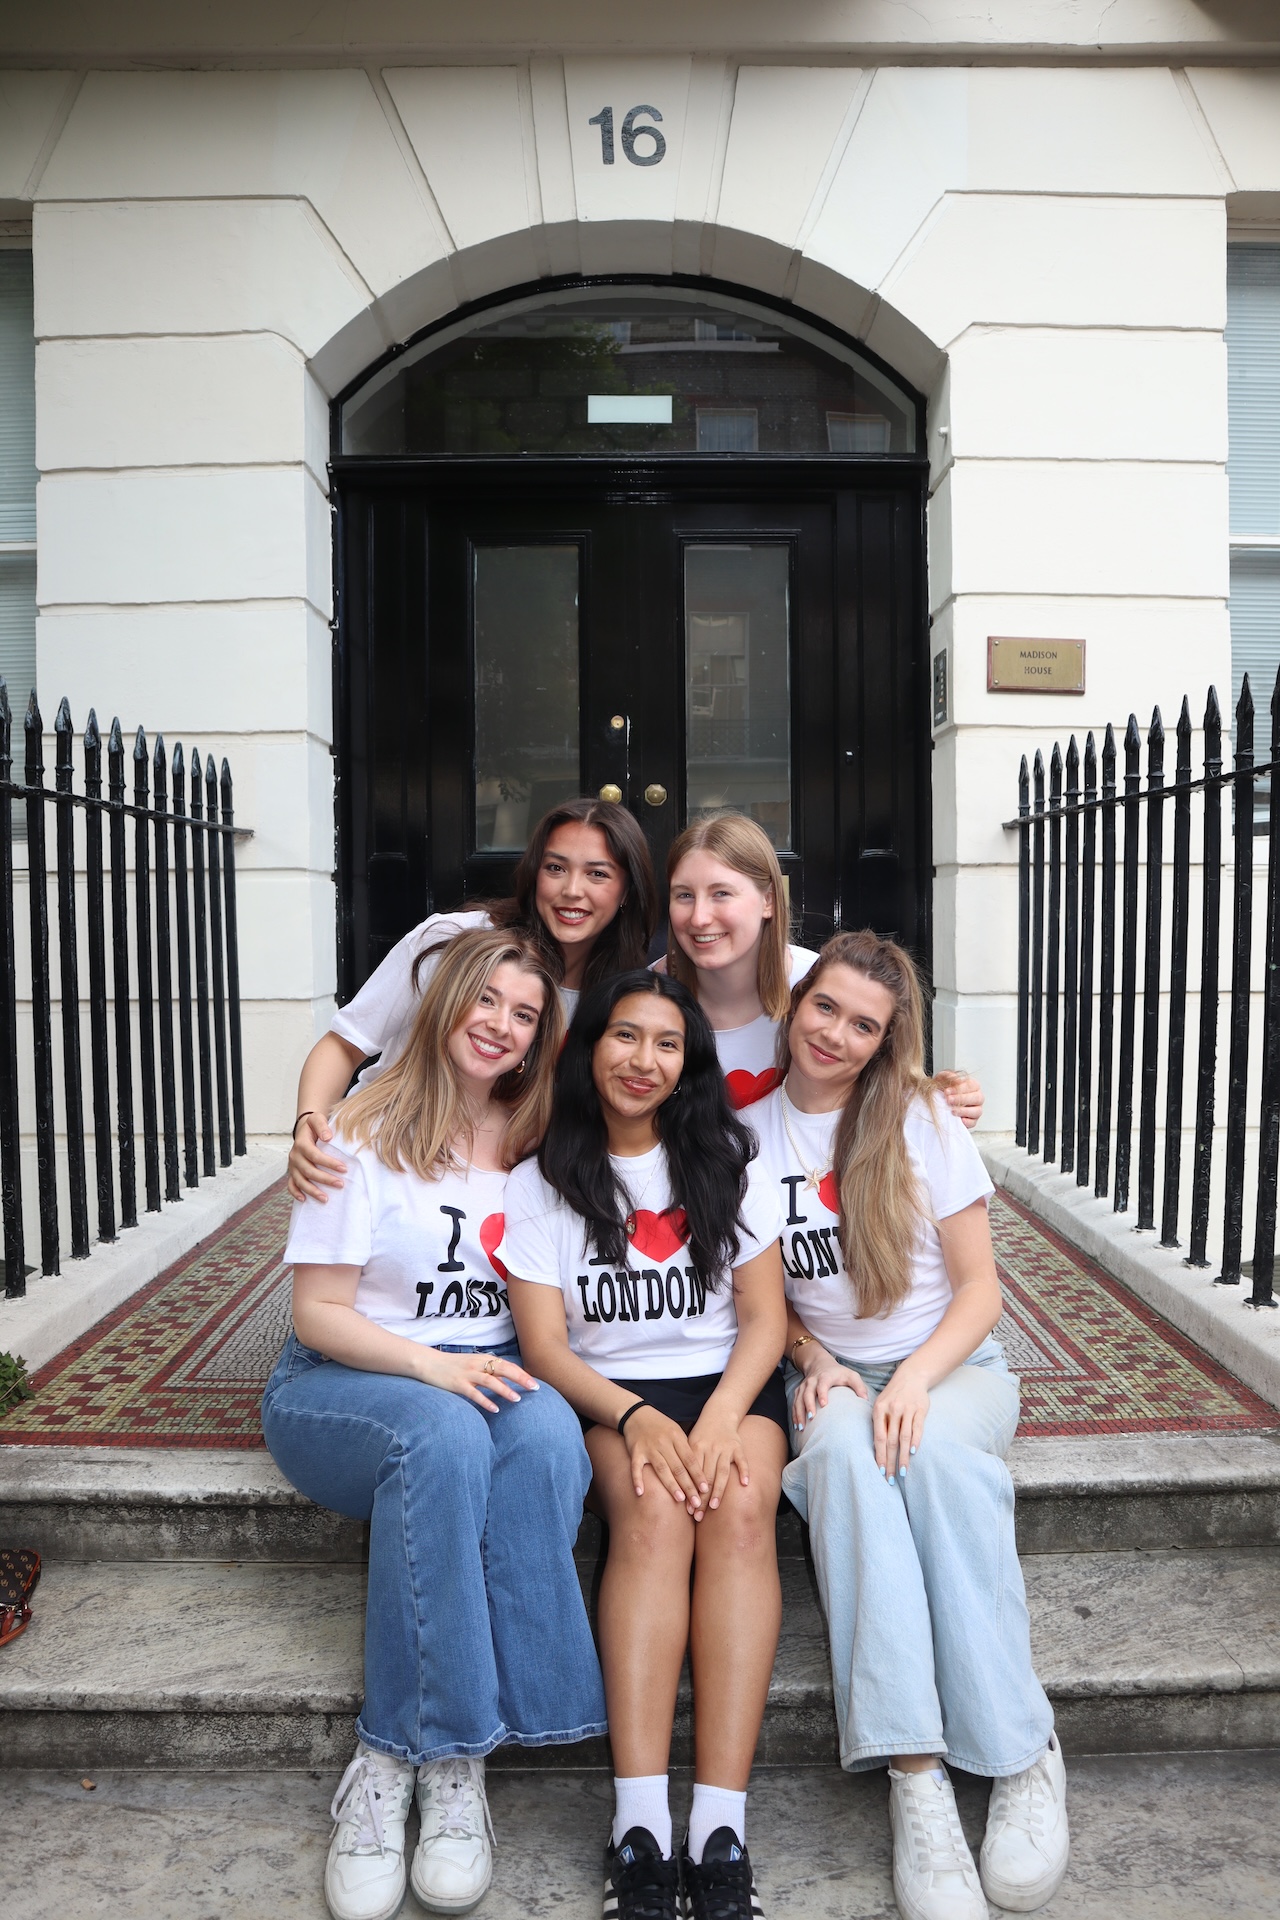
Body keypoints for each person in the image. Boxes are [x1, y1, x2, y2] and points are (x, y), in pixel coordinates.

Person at [262, 927, 607, 1920]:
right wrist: (432, 1369)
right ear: (446, 999)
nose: (499, 1025)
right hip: (343, 1379)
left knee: (545, 1436)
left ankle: (473, 1758)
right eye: (485, 1000)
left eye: (525, 1013)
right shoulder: (356, 1131)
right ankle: (403, 1750)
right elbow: (316, 1314)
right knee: (442, 1435)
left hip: (483, 1375)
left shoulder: (541, 1144)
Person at [750, 931, 1068, 1920]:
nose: (835, 1035)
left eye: (863, 1024)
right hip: (838, 1374)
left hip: (953, 1367)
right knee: (842, 1459)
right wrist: (818, 1366)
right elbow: (768, 1308)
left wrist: (913, 1379)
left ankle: (1018, 1754)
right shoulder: (744, 1137)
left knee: (926, 1459)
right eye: (824, 1009)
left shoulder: (920, 1120)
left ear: (888, 1040)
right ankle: (916, 1777)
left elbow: (979, 1292)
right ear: (794, 1002)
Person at [502, 970, 788, 1920]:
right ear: (591, 1049)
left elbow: (762, 1322)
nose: (643, 1060)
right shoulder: (542, 1179)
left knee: (741, 1502)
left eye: (667, 1043)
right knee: (656, 1510)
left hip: (726, 1389)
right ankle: (638, 1825)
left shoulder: (729, 1160)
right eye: (625, 1037)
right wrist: (633, 1416)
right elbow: (543, 1347)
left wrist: (717, 1417)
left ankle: (719, 1825)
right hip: (608, 1397)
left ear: (688, 1064)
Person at [288, 796, 658, 1201]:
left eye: (598, 874)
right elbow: (344, 1043)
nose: (572, 890)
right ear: (534, 874)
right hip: (391, 1159)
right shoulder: (453, 942)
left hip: (502, 1186)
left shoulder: (624, 995)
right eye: (555, 868)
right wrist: (310, 1122)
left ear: (626, 890)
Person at [665, 812, 985, 1129]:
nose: (699, 918)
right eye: (684, 895)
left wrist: (947, 1099)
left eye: (721, 893)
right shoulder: (650, 997)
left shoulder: (822, 988)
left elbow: (885, 1080)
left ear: (769, 901)